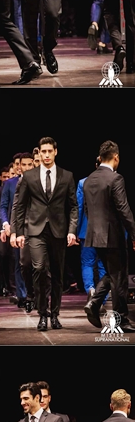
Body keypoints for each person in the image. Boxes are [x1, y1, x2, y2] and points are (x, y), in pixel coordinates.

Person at [10, 137, 78, 330]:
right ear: (39, 153)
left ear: (55, 152)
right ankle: (42, 313)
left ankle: (55, 314)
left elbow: (73, 206)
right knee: (39, 269)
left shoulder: (67, 176)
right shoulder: (29, 176)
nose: (46, 155)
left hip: (58, 230)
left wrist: (72, 230)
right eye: (43, 151)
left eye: (50, 151)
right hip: (35, 230)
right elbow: (20, 206)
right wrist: (18, 232)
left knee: (57, 274)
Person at [82, 141, 135, 330]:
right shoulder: (115, 178)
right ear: (116, 157)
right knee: (119, 277)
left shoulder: (89, 179)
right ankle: (122, 319)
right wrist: (134, 233)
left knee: (113, 274)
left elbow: (87, 209)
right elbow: (123, 209)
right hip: (112, 236)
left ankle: (94, 302)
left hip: (94, 235)